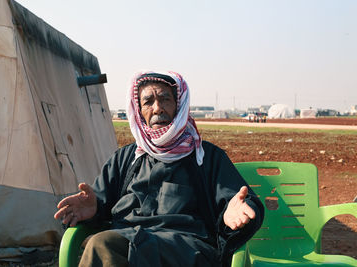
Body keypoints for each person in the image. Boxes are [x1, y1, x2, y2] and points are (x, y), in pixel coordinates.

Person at [54, 71, 264, 267]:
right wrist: (94, 210)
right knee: (105, 244)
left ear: (178, 106)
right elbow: (99, 201)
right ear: (139, 111)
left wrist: (236, 211)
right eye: (148, 102)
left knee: (102, 245)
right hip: (126, 242)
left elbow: (240, 201)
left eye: (165, 99)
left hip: (186, 249)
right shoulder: (126, 158)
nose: (157, 108)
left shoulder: (206, 157)